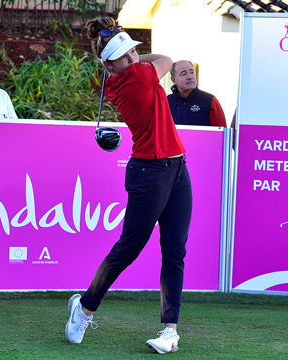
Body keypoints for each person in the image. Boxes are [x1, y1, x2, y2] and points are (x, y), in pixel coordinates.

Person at [65, 17, 193, 355]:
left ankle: (170, 331)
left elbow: (153, 62)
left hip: (178, 169)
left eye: (134, 51)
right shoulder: (135, 80)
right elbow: (167, 59)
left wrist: (126, 48)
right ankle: (85, 308)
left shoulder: (126, 75)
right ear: (111, 65)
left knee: (175, 251)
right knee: (129, 247)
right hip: (149, 174)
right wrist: (141, 56)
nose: (135, 57)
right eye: (127, 55)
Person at [167, 60, 226, 127]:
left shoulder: (210, 101)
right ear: (173, 80)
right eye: (184, 74)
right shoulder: (165, 103)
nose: (189, 77)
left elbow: (221, 133)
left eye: (192, 72)